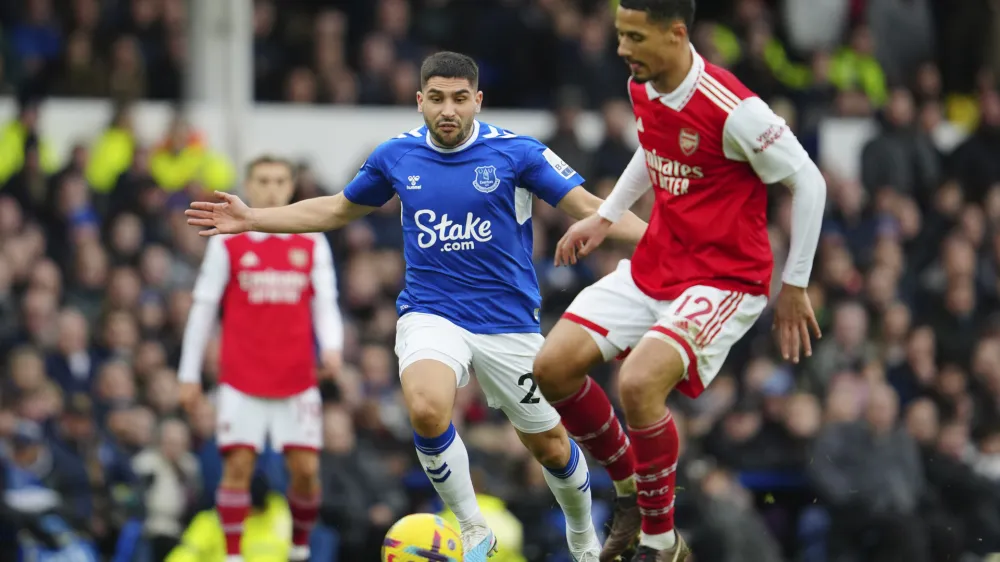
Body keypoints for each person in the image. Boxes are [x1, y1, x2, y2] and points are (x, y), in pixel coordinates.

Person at [185, 51, 648, 562]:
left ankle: (582, 536)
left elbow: (590, 208)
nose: (447, 110)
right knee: (427, 408)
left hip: (508, 324)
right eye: (436, 99)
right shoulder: (396, 156)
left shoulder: (517, 154)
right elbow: (338, 209)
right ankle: (472, 529)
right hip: (432, 313)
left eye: (458, 99)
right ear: (419, 101)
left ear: (477, 101)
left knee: (553, 448)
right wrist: (254, 219)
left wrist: (662, 245)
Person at [532, 1, 827, 561]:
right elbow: (653, 144)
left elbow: (809, 181)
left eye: (635, 38)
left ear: (676, 33)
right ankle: (627, 490)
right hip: (658, 262)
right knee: (552, 368)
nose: (623, 49)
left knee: (640, 383)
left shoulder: (734, 107)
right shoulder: (642, 83)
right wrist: (607, 214)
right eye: (620, 35)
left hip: (725, 278)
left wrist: (795, 284)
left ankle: (661, 544)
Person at [177, 156, 344, 562]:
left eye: (280, 180)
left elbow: (325, 301)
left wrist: (333, 345)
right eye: (263, 180)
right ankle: (233, 556)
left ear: (290, 188)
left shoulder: (311, 238)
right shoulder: (226, 241)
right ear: (249, 187)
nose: (271, 188)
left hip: (296, 377)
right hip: (241, 375)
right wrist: (188, 373)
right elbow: (203, 307)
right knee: (238, 468)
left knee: (305, 472)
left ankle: (299, 550)